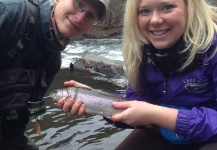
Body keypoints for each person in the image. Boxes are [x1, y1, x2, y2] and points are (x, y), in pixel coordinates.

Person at [57, 0, 217, 149]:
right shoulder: (142, 51)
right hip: (166, 133)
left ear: (190, 7)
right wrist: (95, 100)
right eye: (145, 11)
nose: (155, 20)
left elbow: (148, 113)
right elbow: (137, 106)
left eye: (167, 7)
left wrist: (156, 114)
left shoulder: (213, 47)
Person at [0, 0, 110, 149]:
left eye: (90, 16)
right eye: (78, 4)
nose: (80, 17)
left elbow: (15, 123)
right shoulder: (10, 14)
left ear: (92, 25)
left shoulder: (52, 60)